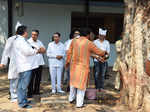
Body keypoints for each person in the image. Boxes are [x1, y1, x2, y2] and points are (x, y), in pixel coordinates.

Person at [65, 28, 107, 108]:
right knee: (81, 85)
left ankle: (71, 99)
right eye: (91, 34)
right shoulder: (88, 42)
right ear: (88, 35)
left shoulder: (74, 41)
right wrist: (105, 53)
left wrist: (67, 62)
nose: (92, 36)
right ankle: (79, 104)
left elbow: (69, 52)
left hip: (73, 66)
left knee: (73, 84)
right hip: (82, 67)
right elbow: (99, 51)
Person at [14, 25, 44, 108]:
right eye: (26, 31)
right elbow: (27, 51)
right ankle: (22, 103)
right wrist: (36, 51)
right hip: (25, 66)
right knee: (23, 86)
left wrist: (33, 49)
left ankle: (23, 100)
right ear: (23, 32)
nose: (27, 33)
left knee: (22, 85)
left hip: (24, 65)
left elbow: (28, 49)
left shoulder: (21, 40)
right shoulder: (21, 41)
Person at [0, 22, 22, 102]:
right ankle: (13, 96)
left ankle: (19, 95)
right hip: (14, 61)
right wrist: (3, 62)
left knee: (21, 79)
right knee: (13, 78)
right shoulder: (11, 39)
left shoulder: (23, 40)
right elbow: (6, 51)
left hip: (22, 62)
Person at [27, 30, 46, 97]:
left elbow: (44, 50)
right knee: (31, 78)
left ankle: (36, 91)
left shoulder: (39, 42)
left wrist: (38, 50)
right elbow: (29, 52)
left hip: (39, 62)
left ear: (37, 35)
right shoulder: (28, 42)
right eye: (32, 34)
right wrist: (38, 50)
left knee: (38, 78)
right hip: (32, 63)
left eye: (35, 35)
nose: (33, 36)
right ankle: (30, 92)